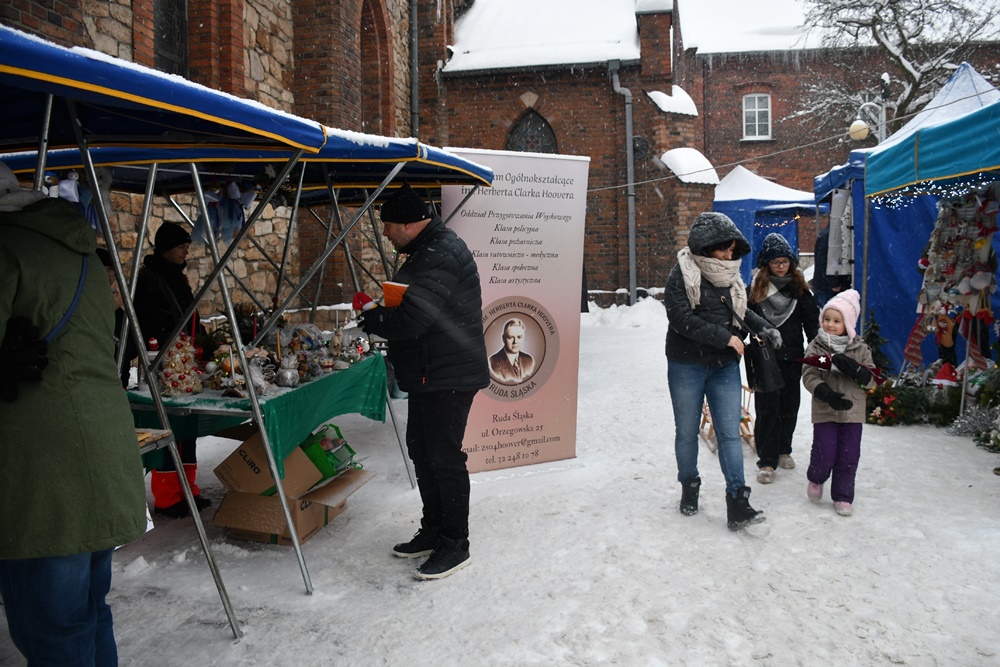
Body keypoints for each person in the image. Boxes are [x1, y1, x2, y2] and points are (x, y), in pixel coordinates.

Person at [0, 162, 147, 664]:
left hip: (44, 470)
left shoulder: (8, 248)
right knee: (86, 612)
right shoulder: (71, 246)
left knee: (53, 627)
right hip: (98, 450)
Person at [359, 182, 489, 579]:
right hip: (433, 372)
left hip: (448, 374)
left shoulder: (440, 253)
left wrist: (375, 317)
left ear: (410, 224)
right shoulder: (428, 249)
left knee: (445, 458)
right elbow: (417, 306)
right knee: (423, 450)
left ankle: (455, 543)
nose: (385, 233)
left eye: (388, 226)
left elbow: (415, 318)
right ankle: (434, 530)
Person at [663, 211, 780, 530]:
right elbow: (680, 318)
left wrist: (765, 328)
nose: (730, 255)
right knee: (687, 430)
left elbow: (740, 313)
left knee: (729, 433)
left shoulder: (730, 275)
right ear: (706, 245)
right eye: (724, 249)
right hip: (686, 363)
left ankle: (737, 502)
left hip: (724, 365)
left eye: (733, 250)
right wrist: (724, 337)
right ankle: (690, 485)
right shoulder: (682, 272)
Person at [134, 222, 211, 518]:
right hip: (164, 362)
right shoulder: (150, 280)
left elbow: (189, 314)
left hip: (186, 359)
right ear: (167, 248)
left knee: (187, 428)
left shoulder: (177, 277)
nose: (186, 251)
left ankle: (188, 489)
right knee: (168, 428)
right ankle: (167, 497)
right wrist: (174, 344)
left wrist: (200, 340)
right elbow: (153, 321)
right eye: (182, 246)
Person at [747, 233, 820, 484]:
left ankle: (783, 449)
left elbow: (812, 323)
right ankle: (766, 461)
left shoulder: (800, 291)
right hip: (765, 358)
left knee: (789, 407)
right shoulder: (755, 291)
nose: (781, 266)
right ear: (767, 264)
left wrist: (819, 349)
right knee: (767, 408)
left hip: (792, 357)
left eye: (785, 261)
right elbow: (742, 319)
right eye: (776, 262)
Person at [801, 289, 877, 516]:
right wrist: (824, 392)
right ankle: (817, 477)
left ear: (849, 323)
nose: (830, 325)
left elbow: (872, 380)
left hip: (852, 410)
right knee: (824, 450)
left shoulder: (860, 348)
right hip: (826, 408)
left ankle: (843, 496)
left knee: (849, 454)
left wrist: (858, 372)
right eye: (827, 319)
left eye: (836, 320)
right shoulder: (817, 347)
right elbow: (809, 374)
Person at [811, 223, 851, 308]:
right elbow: (826, 261)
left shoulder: (829, 234)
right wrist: (833, 282)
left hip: (827, 285)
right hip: (829, 287)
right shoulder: (831, 236)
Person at [488, 317, 536, 384]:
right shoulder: (492, 362)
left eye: (519, 337)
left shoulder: (529, 360)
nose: (515, 342)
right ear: (503, 339)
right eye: (510, 337)